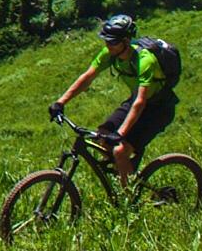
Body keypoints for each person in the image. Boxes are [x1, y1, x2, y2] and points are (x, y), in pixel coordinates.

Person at [50, 13, 177, 186]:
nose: (108, 45)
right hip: (136, 103)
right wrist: (60, 102)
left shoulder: (145, 60)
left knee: (119, 151)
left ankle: (128, 199)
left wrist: (121, 133)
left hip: (159, 108)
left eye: (112, 42)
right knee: (103, 135)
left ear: (126, 41)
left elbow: (141, 101)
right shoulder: (110, 54)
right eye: (106, 41)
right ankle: (127, 171)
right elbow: (87, 77)